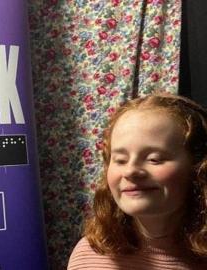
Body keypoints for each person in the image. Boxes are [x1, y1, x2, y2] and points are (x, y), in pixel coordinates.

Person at [68, 93, 207, 269]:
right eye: (120, 160)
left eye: (154, 159)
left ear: (199, 167)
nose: (131, 171)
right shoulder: (88, 254)